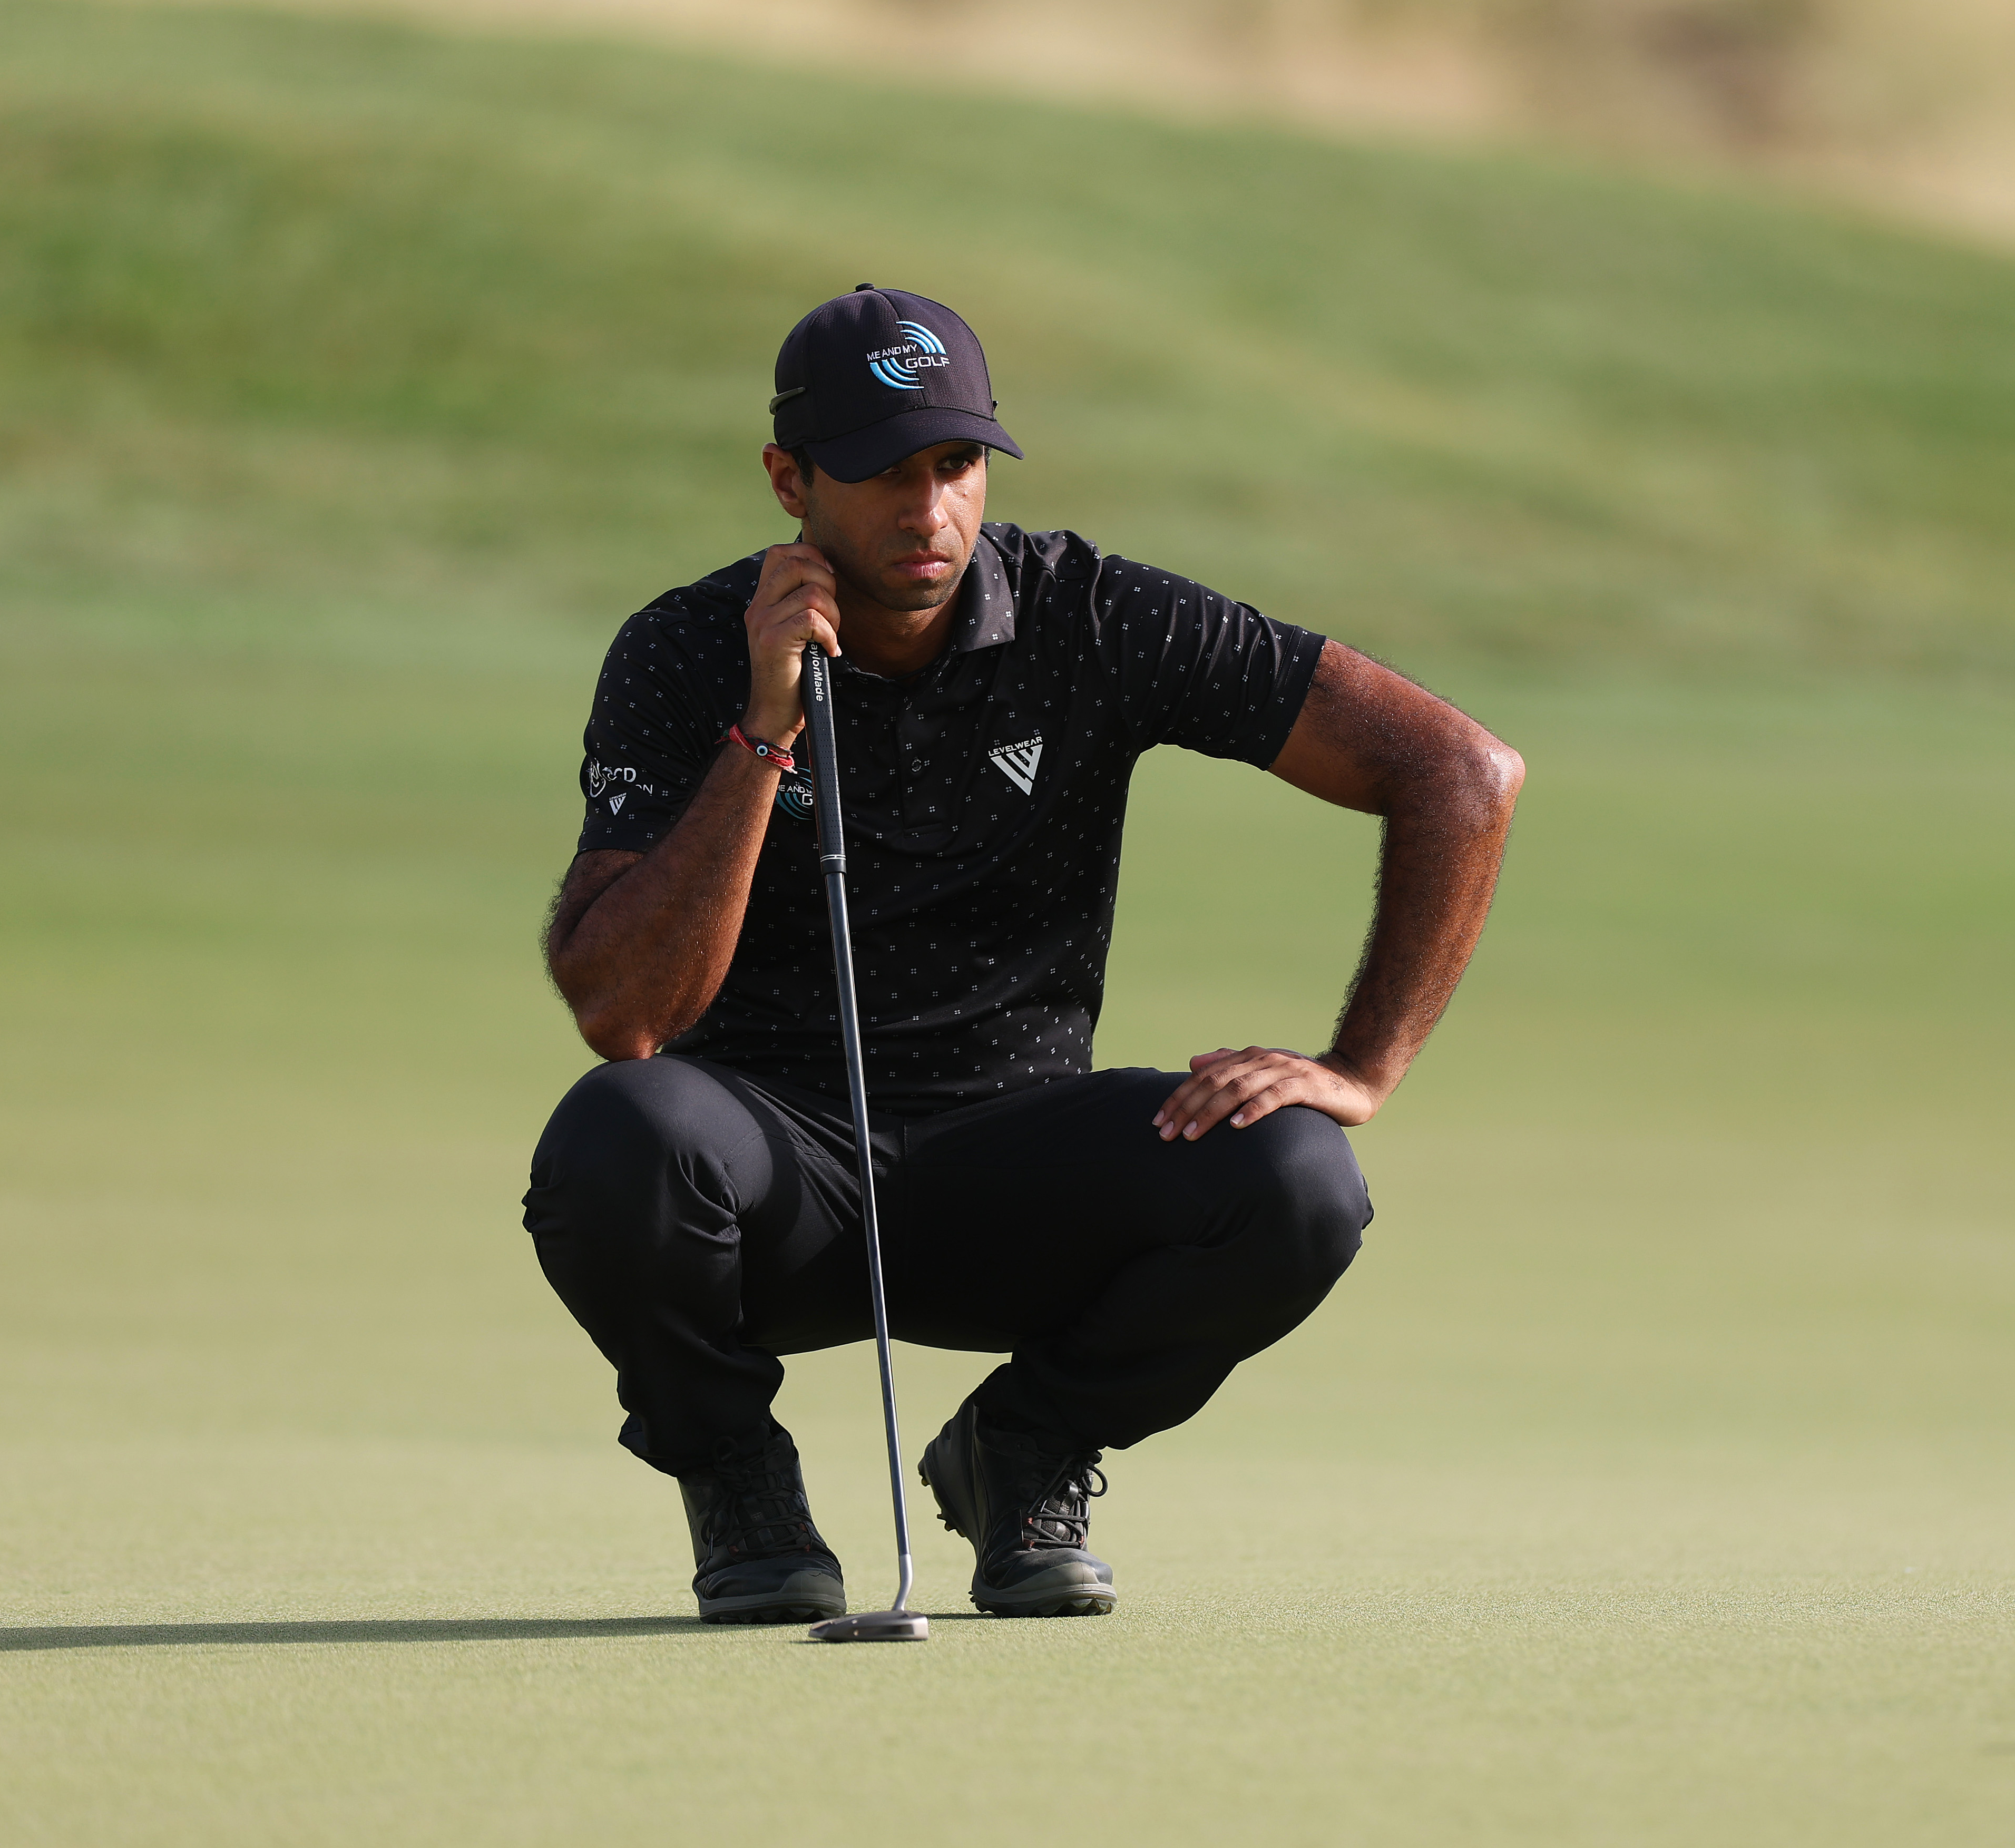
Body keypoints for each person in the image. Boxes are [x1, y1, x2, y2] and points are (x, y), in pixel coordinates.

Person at [522, 286, 1523, 1622]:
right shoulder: (684, 649)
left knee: (1298, 1179)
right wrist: (764, 729)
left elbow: (1459, 771)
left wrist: (1365, 1064)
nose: (928, 510)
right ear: (790, 481)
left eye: (956, 466)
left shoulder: (1090, 617)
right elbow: (621, 1011)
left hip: (1018, 1176)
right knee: (618, 1136)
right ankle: (739, 1484)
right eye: (882, 473)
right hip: (776, 1189)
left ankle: (1024, 1453)